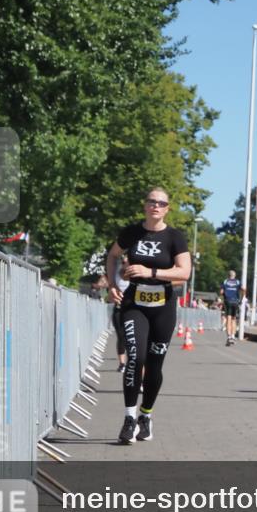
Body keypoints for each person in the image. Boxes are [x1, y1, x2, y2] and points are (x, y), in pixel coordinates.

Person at [106, 187, 191, 444]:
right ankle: (129, 419)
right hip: (135, 303)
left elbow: (184, 272)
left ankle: (146, 415)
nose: (156, 206)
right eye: (151, 201)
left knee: (154, 365)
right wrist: (111, 285)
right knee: (135, 357)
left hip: (163, 306)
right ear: (145, 205)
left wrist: (150, 272)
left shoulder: (175, 237)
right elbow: (112, 255)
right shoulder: (132, 232)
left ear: (167, 209)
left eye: (161, 203)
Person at [221, 270, 242, 345]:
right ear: (235, 275)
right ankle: (233, 336)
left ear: (228, 275)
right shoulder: (238, 282)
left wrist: (225, 294)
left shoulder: (225, 281)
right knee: (234, 319)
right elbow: (242, 289)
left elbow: (221, 291)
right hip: (235, 301)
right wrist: (240, 298)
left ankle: (229, 337)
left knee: (228, 318)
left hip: (228, 301)